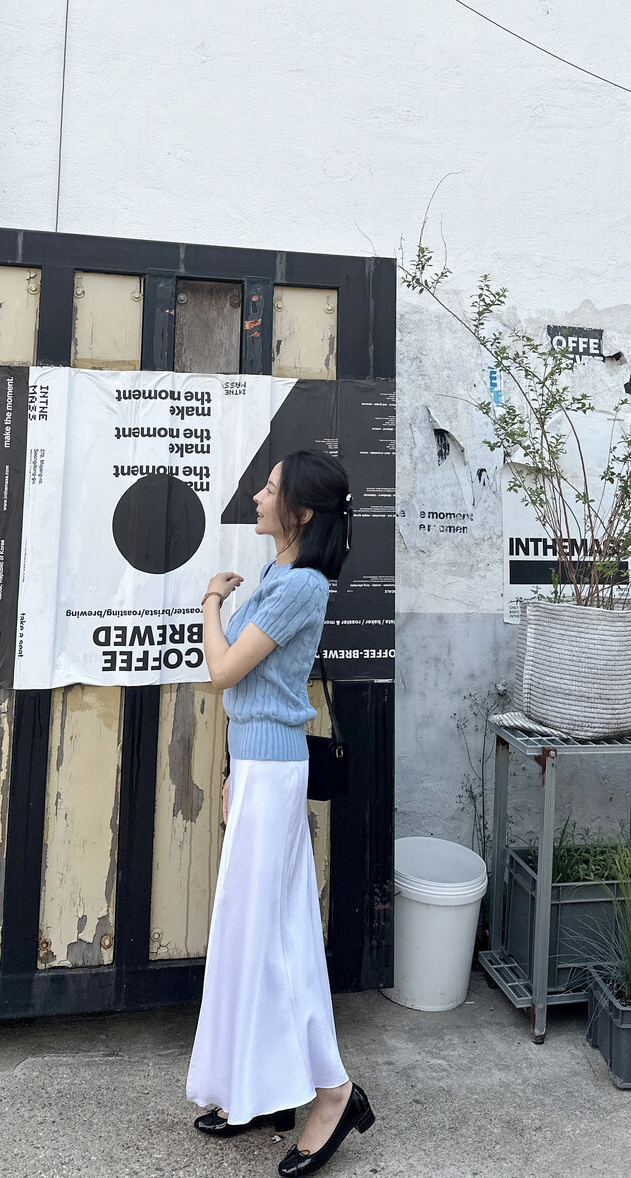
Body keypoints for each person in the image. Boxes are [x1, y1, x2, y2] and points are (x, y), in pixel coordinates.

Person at [186, 450, 375, 1177]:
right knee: (251, 931)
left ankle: (334, 1094)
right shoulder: (277, 575)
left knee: (277, 935)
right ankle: (263, 1090)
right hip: (258, 770)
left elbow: (224, 671)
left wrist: (210, 602)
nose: (259, 498)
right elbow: (250, 691)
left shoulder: (299, 585)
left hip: (274, 774)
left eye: (270, 490)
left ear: (300, 511)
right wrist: (234, 772)